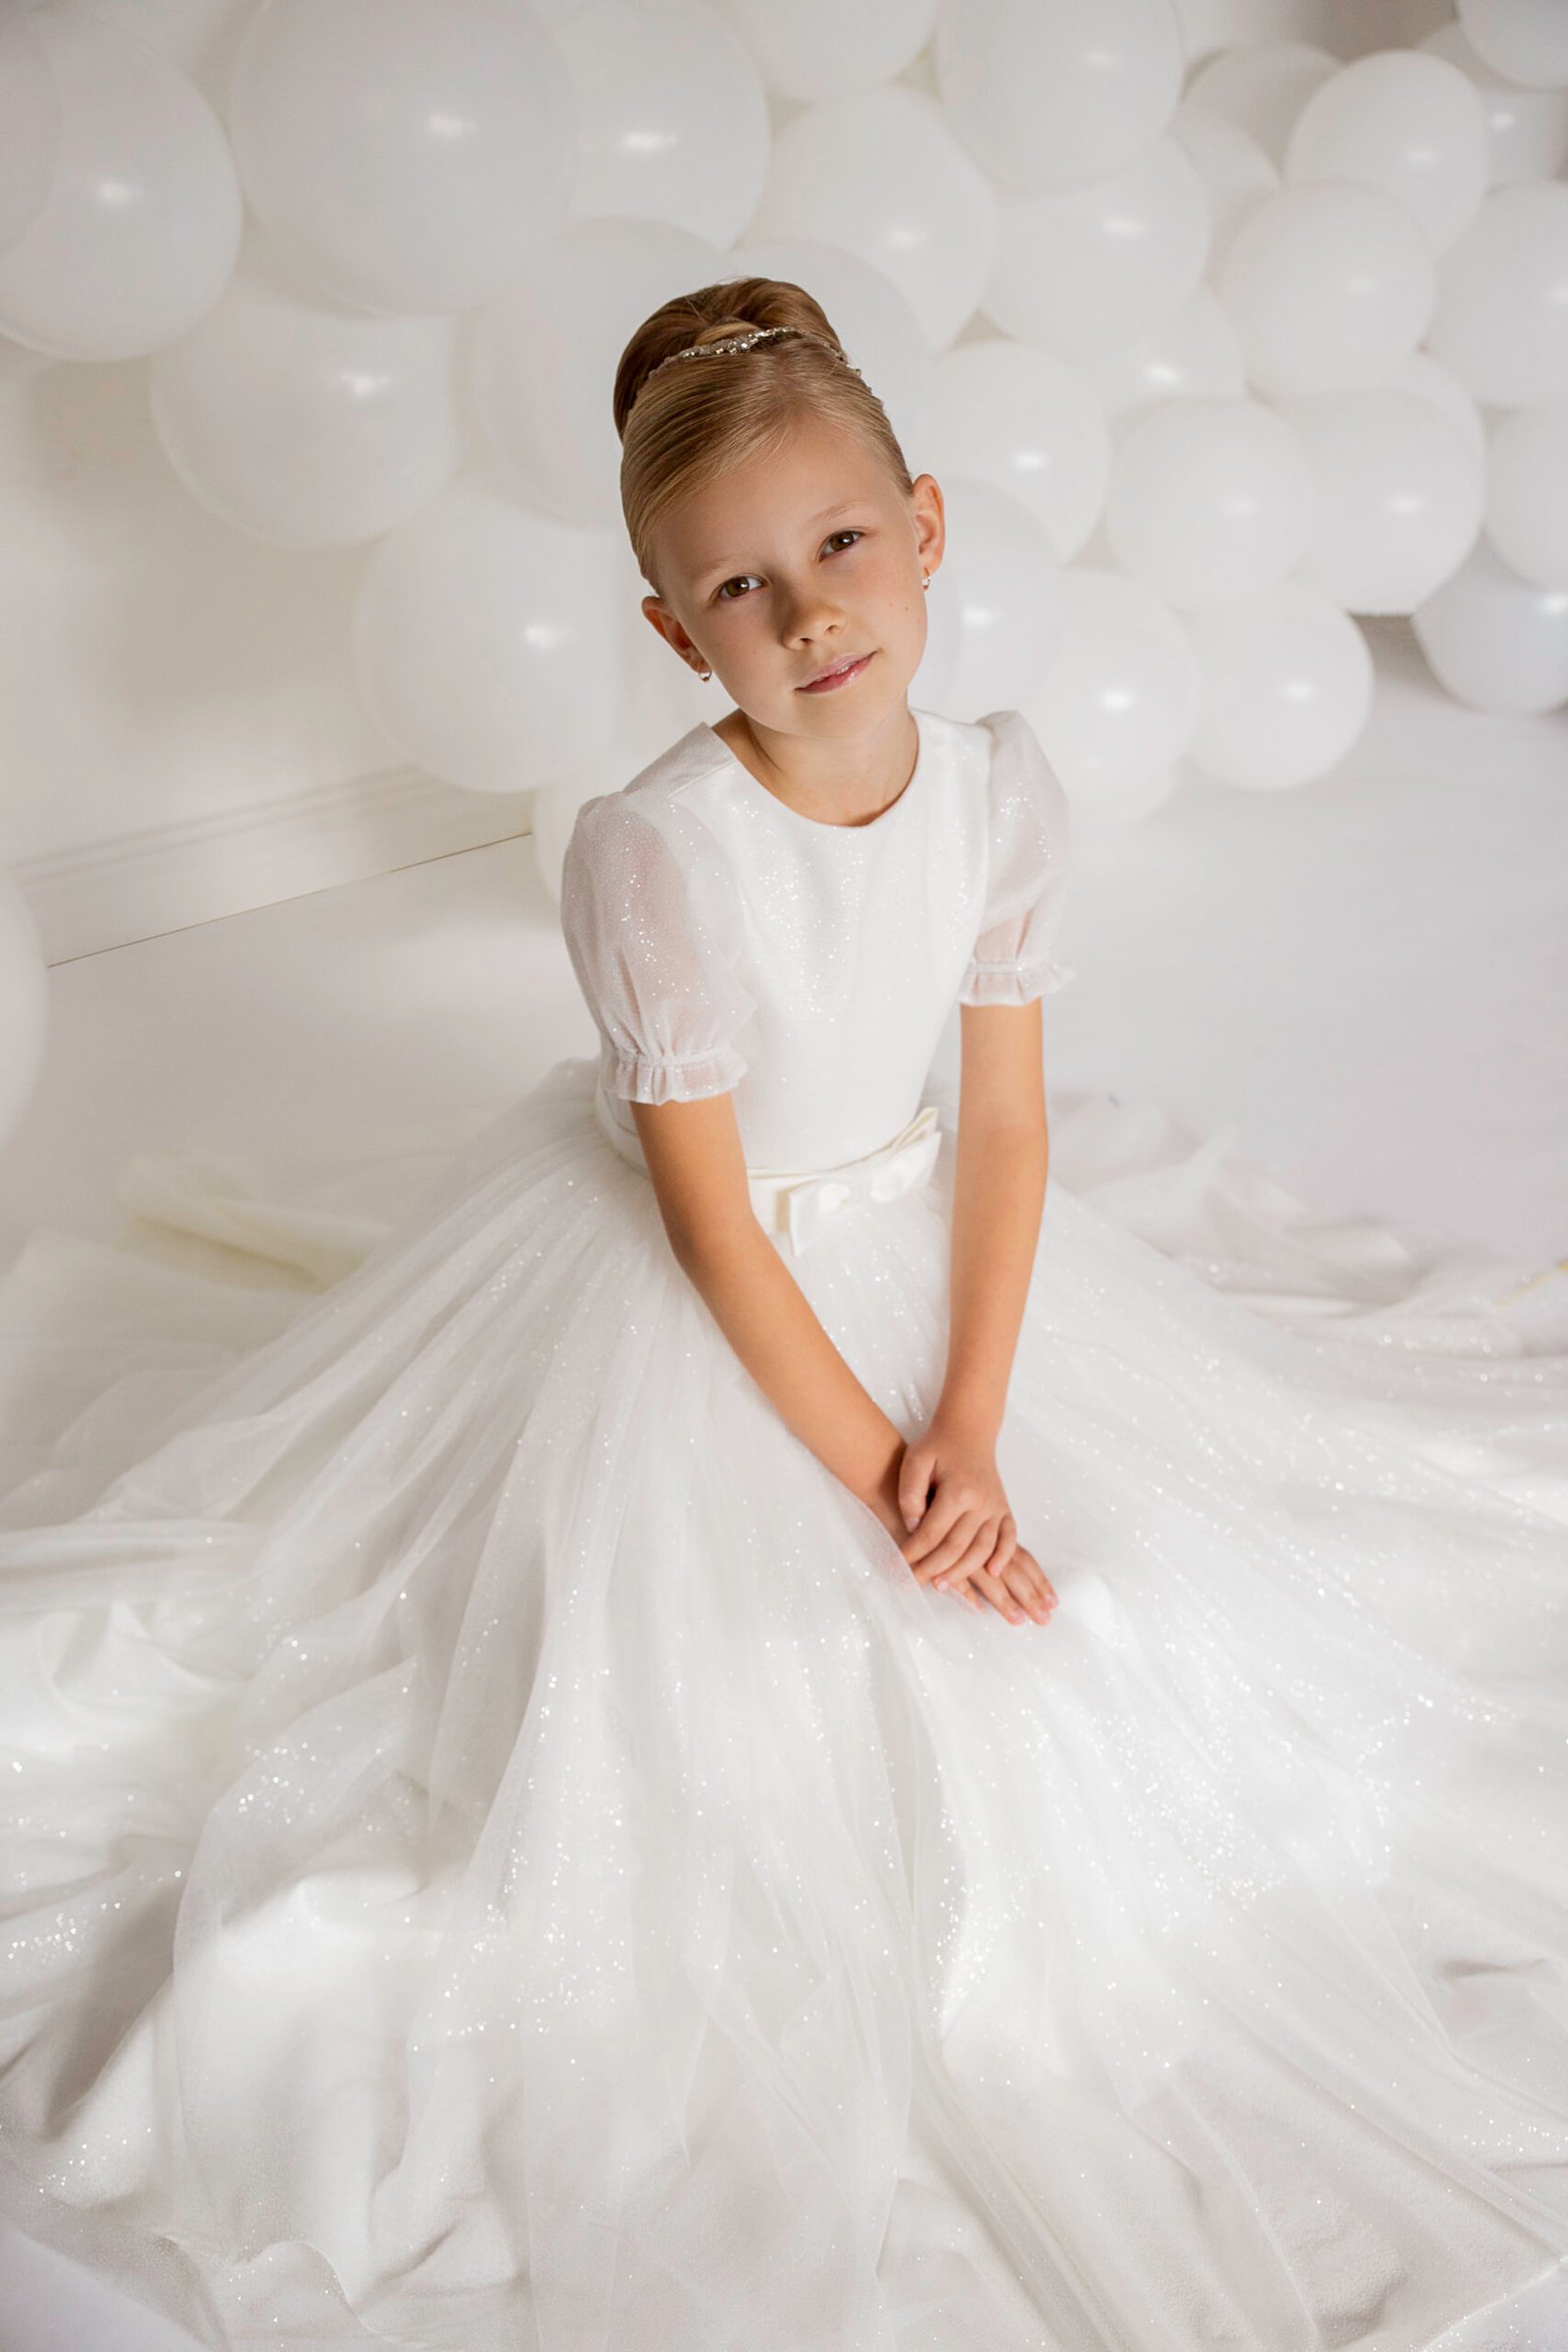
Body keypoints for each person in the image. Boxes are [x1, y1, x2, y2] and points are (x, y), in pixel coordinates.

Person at [1, 275, 1566, 2352]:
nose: (807, 612)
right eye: (736, 585)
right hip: (700, 1272)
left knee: (1142, 1630)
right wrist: (891, 1475)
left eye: (838, 543)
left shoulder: (999, 787)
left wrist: (974, 1423)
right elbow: (718, 1235)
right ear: (673, 633)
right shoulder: (657, 854)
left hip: (916, 1226)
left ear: (926, 526)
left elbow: (1003, 1123)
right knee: (758, 1698)